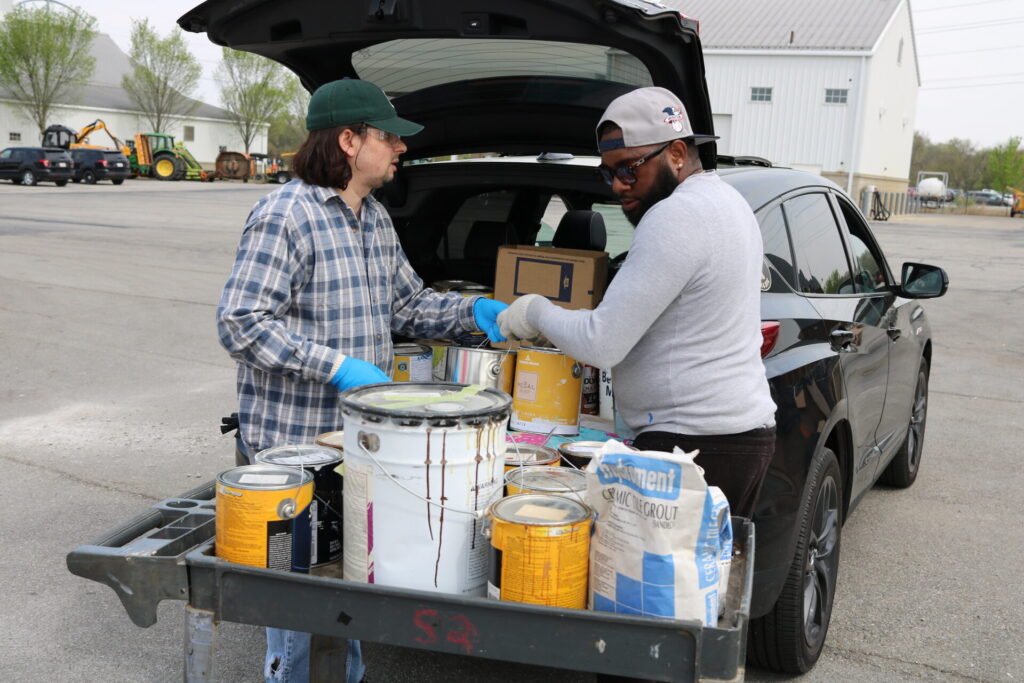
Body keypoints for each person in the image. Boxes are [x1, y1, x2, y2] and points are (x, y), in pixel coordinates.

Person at [216, 78, 507, 683]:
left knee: (346, 599)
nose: (402, 149)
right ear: (348, 140)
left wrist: (480, 315)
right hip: (292, 453)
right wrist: (336, 365)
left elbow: (409, 306)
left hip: (355, 449)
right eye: (389, 137)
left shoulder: (372, 218)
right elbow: (240, 324)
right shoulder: (285, 216)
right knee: (299, 613)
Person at [498, 86, 776, 519]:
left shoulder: (676, 215)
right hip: (736, 436)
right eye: (607, 173)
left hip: (692, 447)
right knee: (701, 584)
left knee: (656, 588)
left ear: (678, 153)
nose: (618, 186)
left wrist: (533, 309)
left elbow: (601, 343)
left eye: (629, 169)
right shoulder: (727, 201)